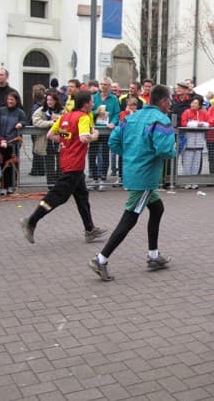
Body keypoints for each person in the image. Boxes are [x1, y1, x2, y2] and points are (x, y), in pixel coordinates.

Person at [88, 84, 176, 281]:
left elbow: (113, 142)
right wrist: (173, 150)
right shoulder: (161, 120)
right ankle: (101, 258)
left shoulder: (130, 117)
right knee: (130, 216)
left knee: (157, 208)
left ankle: (153, 255)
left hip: (133, 171)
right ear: (162, 101)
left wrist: (130, 157)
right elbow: (164, 150)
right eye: (169, 101)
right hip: (145, 176)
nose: (170, 105)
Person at [21, 90, 108, 244]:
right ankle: (31, 221)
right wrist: (94, 135)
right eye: (92, 102)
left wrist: (66, 143)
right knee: (57, 197)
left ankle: (90, 229)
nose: (93, 104)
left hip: (69, 162)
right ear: (86, 103)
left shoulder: (65, 116)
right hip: (74, 166)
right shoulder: (83, 117)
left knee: (82, 197)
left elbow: (50, 135)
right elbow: (83, 138)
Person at [89, 77, 120, 191]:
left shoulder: (114, 99)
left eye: (106, 84)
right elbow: (88, 111)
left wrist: (113, 122)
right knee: (92, 154)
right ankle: (94, 179)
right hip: (95, 129)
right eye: (102, 84)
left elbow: (117, 113)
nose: (103, 86)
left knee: (104, 154)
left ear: (110, 86)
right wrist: (96, 112)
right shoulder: (94, 97)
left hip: (106, 130)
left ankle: (102, 179)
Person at [0, 91, 27, 195]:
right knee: (3, 164)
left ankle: (11, 185)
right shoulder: (1, 110)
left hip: (13, 142)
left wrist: (20, 124)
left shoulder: (20, 112)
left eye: (12, 99)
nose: (10, 101)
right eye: (8, 99)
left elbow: (25, 121)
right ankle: (3, 185)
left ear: (17, 101)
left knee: (13, 163)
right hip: (2, 141)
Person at [32, 91, 64, 188]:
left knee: (60, 164)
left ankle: (59, 184)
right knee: (49, 165)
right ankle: (51, 185)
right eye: (48, 100)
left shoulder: (62, 110)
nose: (49, 102)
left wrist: (57, 119)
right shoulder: (41, 110)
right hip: (47, 142)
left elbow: (67, 120)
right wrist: (50, 123)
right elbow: (36, 121)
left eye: (51, 100)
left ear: (56, 101)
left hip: (60, 140)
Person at [180, 98, 208, 186]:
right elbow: (184, 123)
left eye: (196, 103)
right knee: (187, 161)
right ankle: (186, 182)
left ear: (199, 105)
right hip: (189, 140)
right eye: (193, 103)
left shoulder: (203, 113)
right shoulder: (186, 112)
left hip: (199, 140)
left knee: (196, 162)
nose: (194, 105)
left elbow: (208, 123)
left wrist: (200, 124)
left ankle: (194, 181)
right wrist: (196, 124)